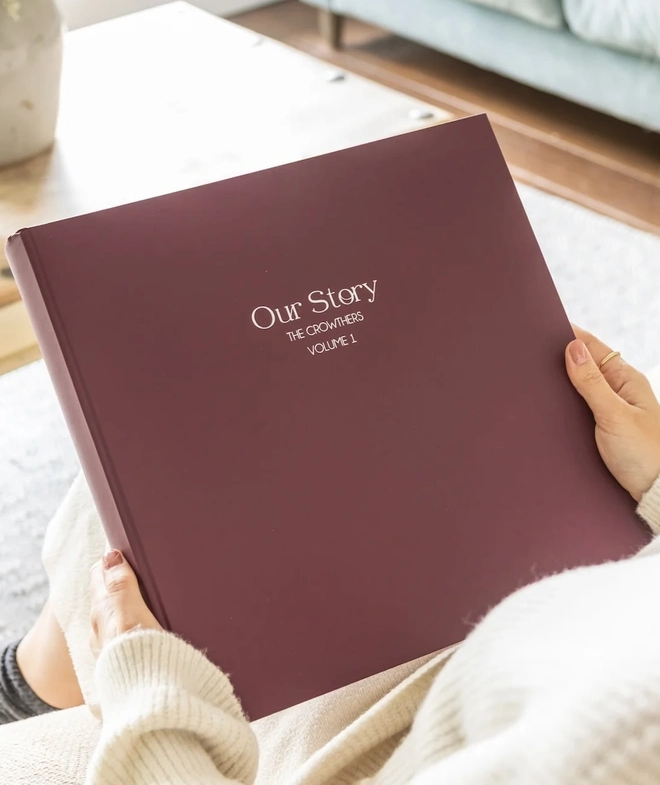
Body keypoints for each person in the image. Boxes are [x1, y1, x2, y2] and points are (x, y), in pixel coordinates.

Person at [1, 326, 660, 785]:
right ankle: (32, 687)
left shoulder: (632, 741)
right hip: (528, 633)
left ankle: (26, 695)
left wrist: (151, 690)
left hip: (377, 740)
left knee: (158, 482)